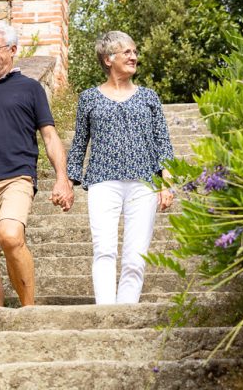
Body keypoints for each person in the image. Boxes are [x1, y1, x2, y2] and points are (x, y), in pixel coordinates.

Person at [0, 21, 74, 307]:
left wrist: (61, 178)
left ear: (13, 50)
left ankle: (29, 310)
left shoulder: (30, 89)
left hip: (15, 178)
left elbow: (50, 135)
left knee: (9, 235)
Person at [67, 31, 174, 305]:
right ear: (107, 59)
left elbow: (163, 140)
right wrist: (68, 181)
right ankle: (105, 313)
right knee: (104, 250)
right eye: (127, 52)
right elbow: (79, 143)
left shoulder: (149, 97)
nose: (134, 56)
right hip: (103, 181)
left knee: (136, 256)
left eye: (134, 51)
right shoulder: (89, 98)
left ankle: (125, 312)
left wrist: (167, 181)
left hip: (144, 182)